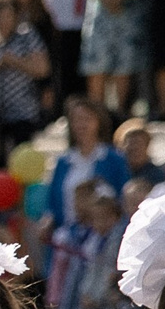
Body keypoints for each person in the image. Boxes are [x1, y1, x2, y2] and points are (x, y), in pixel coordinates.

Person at [41, 98, 130, 258]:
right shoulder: (63, 162)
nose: (81, 125)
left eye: (87, 119)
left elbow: (122, 197)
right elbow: (53, 202)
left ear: (99, 122)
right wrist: (47, 221)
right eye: (77, 120)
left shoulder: (114, 159)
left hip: (103, 239)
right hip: (67, 240)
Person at [0, 0, 51, 154]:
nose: (3, 20)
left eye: (8, 15)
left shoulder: (27, 35)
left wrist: (13, 61)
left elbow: (42, 69)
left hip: (23, 112)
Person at [118, 116, 165, 191]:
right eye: (131, 145)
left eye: (139, 144)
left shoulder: (156, 175)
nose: (135, 149)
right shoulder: (115, 170)